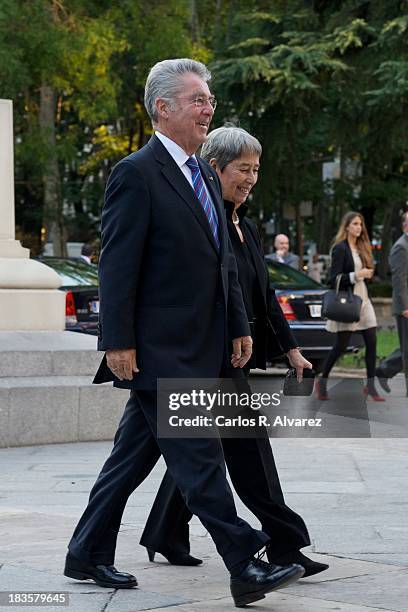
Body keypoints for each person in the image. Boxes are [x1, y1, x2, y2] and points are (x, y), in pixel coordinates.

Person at [63, 59, 304, 607]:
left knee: (130, 460)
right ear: (163, 108)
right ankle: (245, 561)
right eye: (197, 99)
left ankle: (85, 551)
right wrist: (116, 341)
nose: (208, 109)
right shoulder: (136, 172)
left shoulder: (201, 176)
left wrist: (240, 328)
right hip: (159, 351)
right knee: (199, 459)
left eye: (209, 100)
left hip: (206, 346)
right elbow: (118, 267)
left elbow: (223, 266)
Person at [140, 126, 329, 578]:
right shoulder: (205, 220)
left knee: (205, 455)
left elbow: (263, 294)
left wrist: (291, 348)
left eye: (255, 170)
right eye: (243, 169)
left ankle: (164, 532)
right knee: (238, 453)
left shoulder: (246, 224)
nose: (250, 178)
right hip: (204, 356)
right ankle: (280, 545)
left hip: (226, 357)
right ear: (215, 168)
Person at [316, 211, 384, 401]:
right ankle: (322, 381)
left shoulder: (362, 248)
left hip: (364, 299)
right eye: (355, 224)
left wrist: (369, 274)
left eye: (360, 224)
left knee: (372, 340)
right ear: (346, 226)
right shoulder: (340, 248)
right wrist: (357, 275)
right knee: (341, 344)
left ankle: (370, 386)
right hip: (349, 301)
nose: (359, 228)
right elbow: (334, 278)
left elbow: (364, 272)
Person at [375, 211, 408, 396]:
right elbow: (399, 280)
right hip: (406, 307)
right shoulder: (401, 247)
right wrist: (404, 307)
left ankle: (384, 370)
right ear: (405, 225)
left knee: (407, 347)